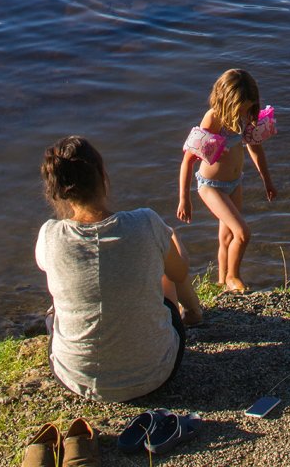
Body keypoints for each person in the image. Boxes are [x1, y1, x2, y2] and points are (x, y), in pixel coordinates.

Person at [34, 136, 204, 402]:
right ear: (103, 176)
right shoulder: (145, 222)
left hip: (76, 378)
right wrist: (172, 240)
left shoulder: (49, 235)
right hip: (156, 372)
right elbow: (178, 272)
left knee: (54, 311)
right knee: (166, 255)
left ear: (57, 190)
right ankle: (193, 312)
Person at [177, 69, 278, 294]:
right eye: (242, 107)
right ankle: (234, 276)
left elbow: (255, 148)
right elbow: (188, 160)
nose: (245, 112)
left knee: (228, 236)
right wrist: (184, 199)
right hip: (210, 186)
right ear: (227, 101)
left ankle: (222, 283)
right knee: (243, 233)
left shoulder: (244, 116)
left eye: (249, 107)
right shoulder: (213, 118)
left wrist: (267, 181)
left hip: (234, 182)